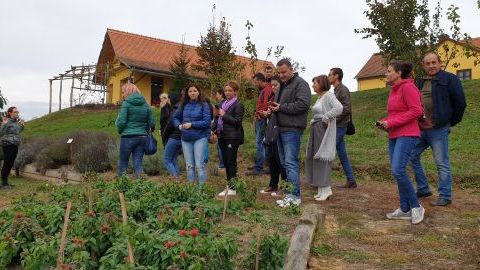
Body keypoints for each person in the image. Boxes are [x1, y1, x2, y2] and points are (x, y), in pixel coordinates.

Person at [410, 52, 467, 206]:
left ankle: (445, 195)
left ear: (439, 63)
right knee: (411, 156)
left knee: (441, 162)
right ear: (423, 66)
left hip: (438, 128)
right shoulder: (420, 82)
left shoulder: (450, 79)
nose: (431, 66)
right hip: (421, 129)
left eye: (434, 62)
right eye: (428, 63)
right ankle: (423, 188)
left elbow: (460, 103)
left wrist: (449, 122)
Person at [377, 60, 425, 225]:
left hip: (408, 134)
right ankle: (404, 209)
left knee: (398, 170)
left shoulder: (408, 87)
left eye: (389, 71)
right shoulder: (393, 90)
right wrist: (385, 122)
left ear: (398, 73)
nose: (386, 73)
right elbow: (395, 114)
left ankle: (416, 206)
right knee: (397, 171)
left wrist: (392, 122)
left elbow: (416, 111)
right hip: (394, 135)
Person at [269, 59, 311, 207]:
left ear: (291, 69)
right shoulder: (282, 86)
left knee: (291, 163)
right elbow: (280, 106)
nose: (281, 75)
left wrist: (281, 108)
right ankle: (289, 195)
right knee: (284, 163)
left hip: (292, 129)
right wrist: (273, 109)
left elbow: (303, 105)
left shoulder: (301, 84)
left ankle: (294, 196)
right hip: (280, 128)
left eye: (284, 72)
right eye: (279, 73)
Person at [306, 75, 343, 201]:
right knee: (315, 157)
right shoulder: (319, 98)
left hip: (322, 129)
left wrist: (326, 117)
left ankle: (326, 189)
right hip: (316, 128)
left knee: (322, 157)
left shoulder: (328, 96)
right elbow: (318, 113)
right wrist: (314, 120)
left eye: (315, 83)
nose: (313, 85)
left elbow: (339, 108)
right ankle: (321, 188)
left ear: (321, 83)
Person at [173, 83, 211, 186]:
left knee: (199, 165)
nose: (192, 93)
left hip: (200, 137)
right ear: (187, 93)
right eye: (190, 91)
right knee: (189, 165)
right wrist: (178, 126)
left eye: (194, 91)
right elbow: (175, 117)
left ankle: (201, 191)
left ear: (198, 92)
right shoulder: (184, 105)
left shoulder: (204, 104)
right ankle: (191, 189)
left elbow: (207, 122)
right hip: (185, 138)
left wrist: (192, 124)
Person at [115, 82, 155, 179]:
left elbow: (121, 122)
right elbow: (152, 123)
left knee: (123, 163)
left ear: (128, 91)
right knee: (138, 163)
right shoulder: (146, 104)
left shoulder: (126, 103)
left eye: (123, 92)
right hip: (142, 137)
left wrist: (120, 130)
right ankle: (141, 187)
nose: (122, 95)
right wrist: (144, 131)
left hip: (128, 137)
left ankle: (121, 187)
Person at [214, 81, 245, 196]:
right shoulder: (222, 103)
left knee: (231, 162)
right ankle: (229, 184)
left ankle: (232, 188)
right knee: (226, 161)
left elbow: (237, 122)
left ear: (235, 92)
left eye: (230, 90)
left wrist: (224, 115)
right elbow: (217, 119)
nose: (227, 92)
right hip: (222, 135)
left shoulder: (238, 105)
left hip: (232, 137)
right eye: (226, 90)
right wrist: (213, 130)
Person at [329, 68, 357, 188]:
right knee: (342, 154)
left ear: (337, 76)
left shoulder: (343, 90)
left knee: (328, 151)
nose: (328, 76)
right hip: (337, 125)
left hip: (340, 126)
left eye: (330, 74)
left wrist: (333, 118)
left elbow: (346, 109)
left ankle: (321, 180)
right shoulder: (335, 90)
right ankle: (351, 180)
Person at [259, 76, 287, 196]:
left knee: (281, 160)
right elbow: (271, 114)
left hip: (280, 131)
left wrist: (275, 111)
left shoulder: (284, 96)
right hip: (270, 130)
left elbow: (284, 112)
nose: (273, 87)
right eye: (272, 85)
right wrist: (266, 114)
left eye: (276, 85)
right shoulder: (272, 96)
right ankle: (273, 185)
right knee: (272, 159)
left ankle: (285, 187)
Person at [247, 73, 273, 176]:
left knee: (260, 143)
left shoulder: (267, 90)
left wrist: (259, 114)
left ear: (259, 80)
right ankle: (261, 164)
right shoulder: (263, 90)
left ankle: (259, 168)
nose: (254, 84)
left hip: (262, 119)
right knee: (261, 143)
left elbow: (266, 105)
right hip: (260, 118)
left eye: (255, 82)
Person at [0, 107, 24, 189]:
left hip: (15, 144)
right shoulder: (7, 121)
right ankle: (3, 183)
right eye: (15, 112)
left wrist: (22, 127)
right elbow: (1, 133)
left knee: (10, 163)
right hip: (8, 144)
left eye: (18, 112)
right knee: (7, 163)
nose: (17, 113)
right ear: (10, 113)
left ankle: (5, 182)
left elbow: (16, 133)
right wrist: (3, 124)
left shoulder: (16, 122)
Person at [162, 102, 182, 178]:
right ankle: (177, 177)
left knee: (167, 160)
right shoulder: (185, 109)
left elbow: (170, 125)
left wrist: (164, 136)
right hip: (181, 138)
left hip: (174, 138)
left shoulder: (175, 110)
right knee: (173, 159)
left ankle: (175, 178)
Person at [214, 87, 226, 170]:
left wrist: (212, 129)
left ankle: (222, 165)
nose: (216, 96)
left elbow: (217, 119)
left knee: (220, 147)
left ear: (221, 94)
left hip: (221, 129)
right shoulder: (226, 103)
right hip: (224, 129)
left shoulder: (220, 104)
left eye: (217, 94)